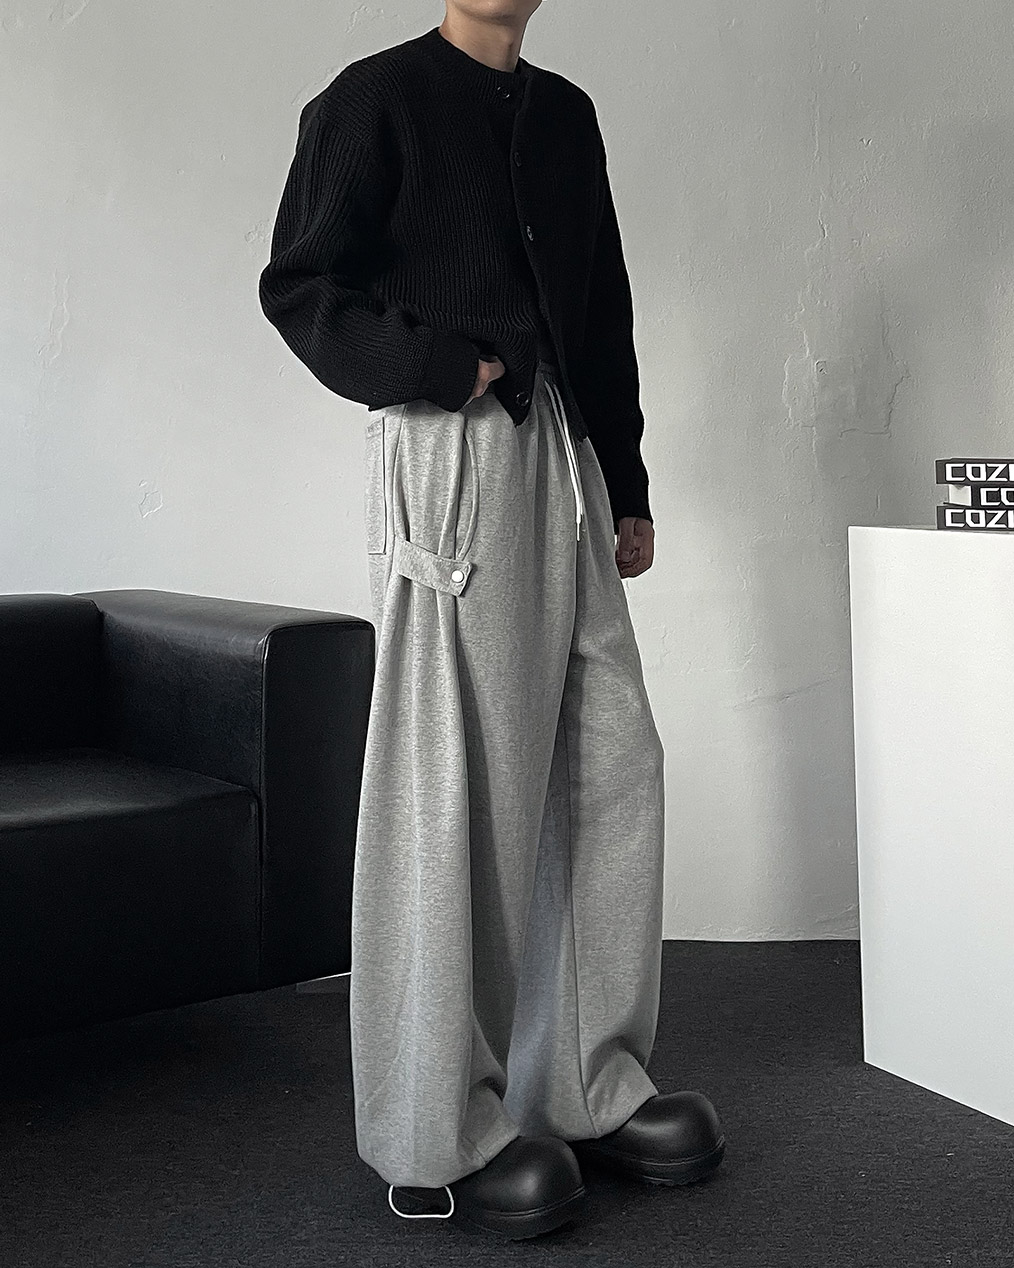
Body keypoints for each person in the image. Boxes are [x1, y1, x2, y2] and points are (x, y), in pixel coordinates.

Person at [258, 0, 725, 1242]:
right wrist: (436, 366)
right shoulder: (374, 100)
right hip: (449, 447)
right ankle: (434, 1136)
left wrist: (624, 479)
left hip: (560, 448)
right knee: (450, 777)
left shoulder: (566, 117)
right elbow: (299, 284)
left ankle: (585, 1085)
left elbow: (602, 308)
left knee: (610, 758)